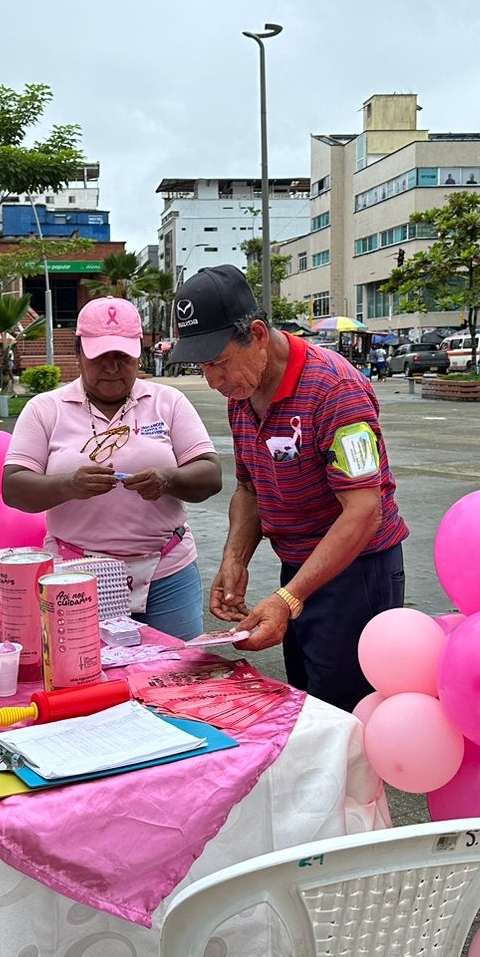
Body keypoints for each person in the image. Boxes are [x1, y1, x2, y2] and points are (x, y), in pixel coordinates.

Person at [169, 265, 408, 712]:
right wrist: (234, 560)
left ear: (258, 334)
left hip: (357, 570)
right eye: (202, 366)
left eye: (219, 363)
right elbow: (249, 487)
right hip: (298, 565)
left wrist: (289, 597)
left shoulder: (336, 391)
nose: (213, 381)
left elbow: (363, 511)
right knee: (306, 702)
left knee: (347, 713)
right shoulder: (243, 394)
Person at [2, 297, 222, 640]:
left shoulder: (168, 402)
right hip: (76, 573)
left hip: (167, 572)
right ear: (78, 353)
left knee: (177, 673)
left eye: (123, 357)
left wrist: (167, 479)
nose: (112, 368)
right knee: (84, 674)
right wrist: (67, 486)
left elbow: (210, 475)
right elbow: (13, 487)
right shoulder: (45, 409)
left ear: (139, 355)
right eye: (100, 356)